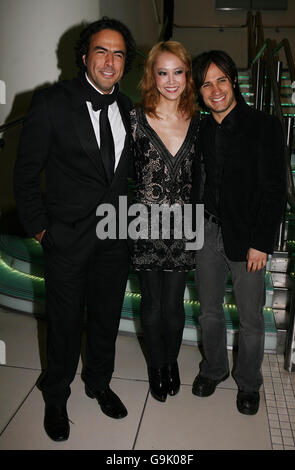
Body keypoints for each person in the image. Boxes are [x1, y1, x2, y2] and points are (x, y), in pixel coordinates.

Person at [13, 17, 136, 441]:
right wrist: (42, 231)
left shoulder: (130, 110)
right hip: (65, 238)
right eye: (102, 51)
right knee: (64, 324)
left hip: (115, 239)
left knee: (105, 319)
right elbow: (26, 175)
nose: (110, 61)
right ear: (84, 56)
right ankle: (56, 395)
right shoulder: (51, 102)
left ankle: (99, 383)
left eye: (118, 54)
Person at [191, 50, 286, 415]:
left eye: (221, 80)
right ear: (199, 90)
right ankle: (213, 369)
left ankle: (248, 382)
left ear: (234, 82)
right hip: (206, 233)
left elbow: (275, 190)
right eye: (206, 83)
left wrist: (261, 243)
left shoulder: (264, 126)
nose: (215, 89)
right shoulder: (199, 128)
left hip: (248, 238)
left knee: (249, 317)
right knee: (209, 311)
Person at [130, 41, 200, 402]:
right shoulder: (134, 118)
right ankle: (156, 366)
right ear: (151, 75)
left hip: (185, 226)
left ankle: (170, 362)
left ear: (187, 76)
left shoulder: (200, 120)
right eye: (162, 72)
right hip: (143, 223)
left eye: (178, 72)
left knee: (174, 308)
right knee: (153, 304)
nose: (170, 80)